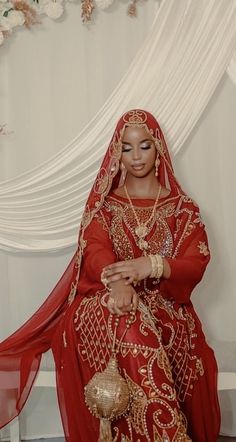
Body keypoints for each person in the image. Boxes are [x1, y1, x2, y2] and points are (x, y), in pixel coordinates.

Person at [0, 109, 220, 441]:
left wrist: (153, 265)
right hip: (102, 304)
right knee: (127, 316)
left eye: (144, 146)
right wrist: (117, 282)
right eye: (127, 147)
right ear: (116, 153)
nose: (136, 157)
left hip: (166, 309)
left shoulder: (182, 208)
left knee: (146, 322)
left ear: (158, 148)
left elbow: (197, 261)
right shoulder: (104, 207)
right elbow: (94, 251)